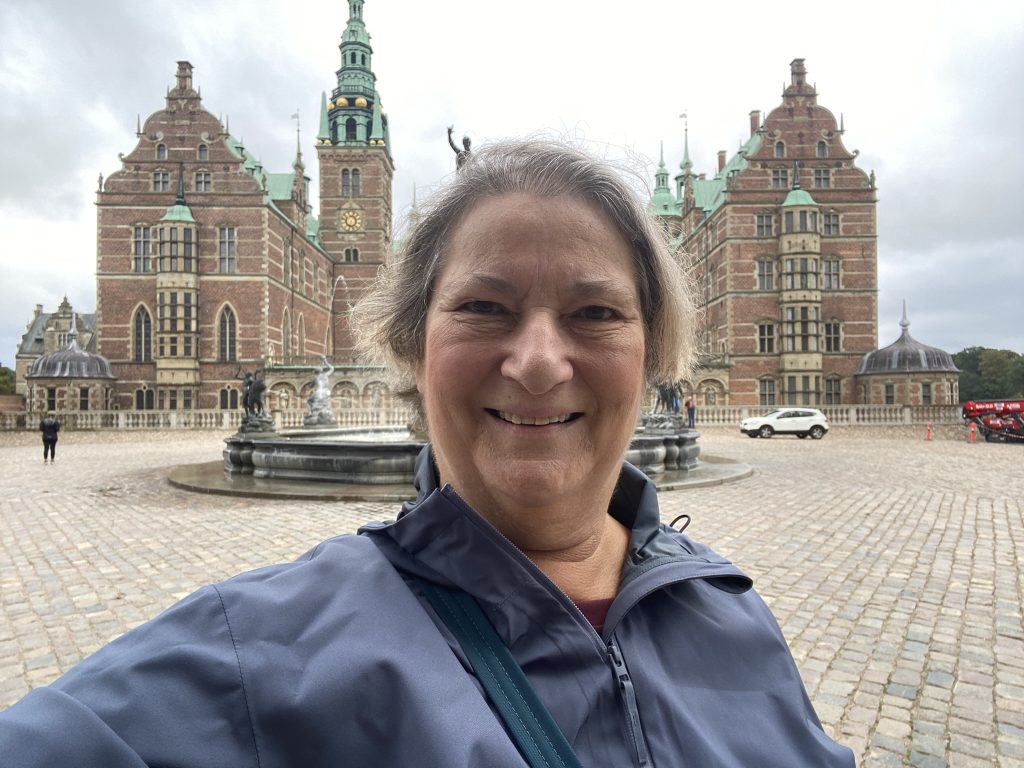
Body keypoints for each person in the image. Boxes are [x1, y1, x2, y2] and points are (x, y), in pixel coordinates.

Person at [0, 140, 854, 767]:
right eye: (484, 307)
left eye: (596, 313)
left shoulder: (732, 614)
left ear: (655, 352)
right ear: (410, 349)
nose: (539, 362)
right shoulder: (267, 649)